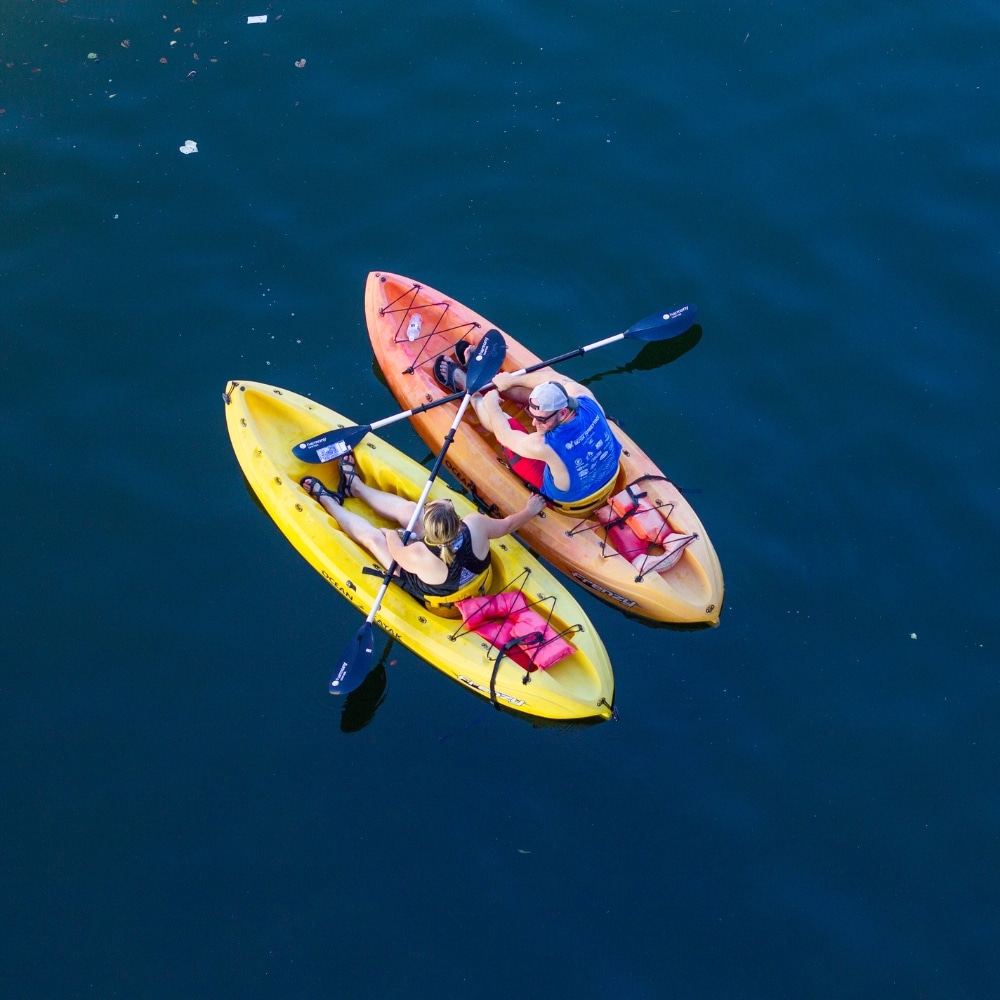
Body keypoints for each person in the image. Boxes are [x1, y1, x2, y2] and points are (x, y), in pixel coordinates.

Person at [300, 452, 546, 604]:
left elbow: (393, 546)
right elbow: (508, 524)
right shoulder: (475, 524)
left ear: (427, 530)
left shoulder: (418, 554)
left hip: (441, 593)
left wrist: (392, 534)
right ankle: (355, 487)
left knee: (375, 539)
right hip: (468, 572)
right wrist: (530, 511)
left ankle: (328, 501)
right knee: (409, 511)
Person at [435, 349, 622, 509]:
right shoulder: (585, 398)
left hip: (571, 501)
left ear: (563, 411)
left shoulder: (544, 445)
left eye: (540, 420)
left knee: (503, 420)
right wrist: (513, 381)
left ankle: (471, 389)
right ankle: (495, 382)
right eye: (533, 416)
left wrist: (492, 404)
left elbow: (504, 434)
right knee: (535, 397)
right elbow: (556, 380)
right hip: (609, 476)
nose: (534, 424)